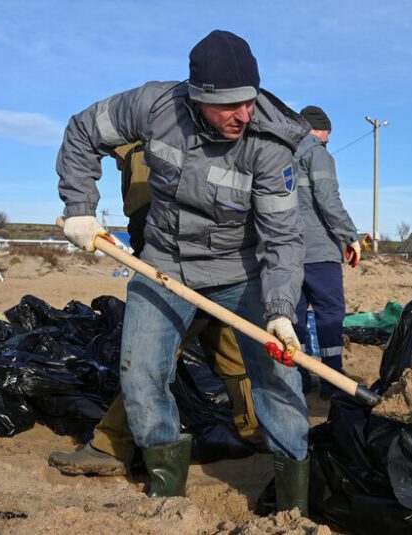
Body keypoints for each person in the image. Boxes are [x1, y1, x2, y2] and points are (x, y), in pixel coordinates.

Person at [56, 30, 310, 513]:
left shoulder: (270, 144)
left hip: (244, 273)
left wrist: (279, 310)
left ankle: (292, 500)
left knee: (278, 377)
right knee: (141, 371)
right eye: (229, 106)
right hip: (164, 265)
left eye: (249, 101)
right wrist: (80, 206)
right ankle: (166, 495)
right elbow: (83, 131)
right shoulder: (154, 106)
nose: (243, 115)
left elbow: (282, 239)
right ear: (196, 97)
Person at [49, 141, 263, 477]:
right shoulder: (155, 150)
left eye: (111, 157)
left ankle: (111, 446)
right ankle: (257, 431)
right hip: (206, 264)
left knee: (150, 358)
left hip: (178, 272)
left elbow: (147, 220)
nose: (113, 165)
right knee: (231, 352)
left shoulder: (144, 155)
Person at [292, 105, 361, 400]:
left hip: (288, 252)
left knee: (294, 316)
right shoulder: (317, 153)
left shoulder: (282, 155)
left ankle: (297, 377)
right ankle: (332, 379)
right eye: (328, 133)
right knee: (330, 315)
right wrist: (350, 236)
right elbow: (328, 200)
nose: (329, 140)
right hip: (319, 252)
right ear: (318, 129)